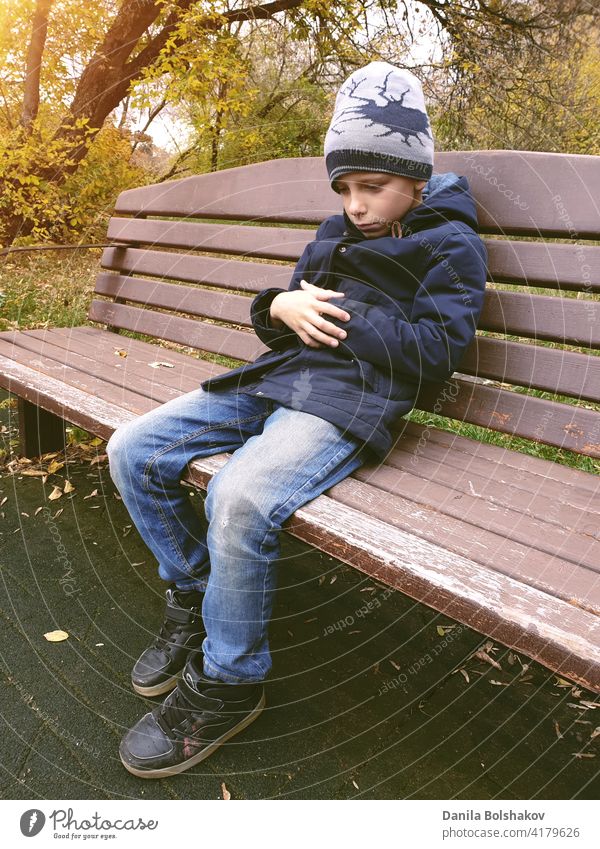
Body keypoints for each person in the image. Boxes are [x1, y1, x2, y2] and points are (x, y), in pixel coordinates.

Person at [107, 61, 488, 778]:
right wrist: (276, 307)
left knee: (240, 496)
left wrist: (352, 318)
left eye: (371, 187)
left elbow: (436, 353)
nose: (356, 205)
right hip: (281, 379)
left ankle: (231, 678)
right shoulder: (335, 228)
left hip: (352, 401)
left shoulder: (451, 243)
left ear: (414, 174)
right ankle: (195, 591)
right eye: (343, 188)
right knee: (133, 448)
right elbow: (293, 313)